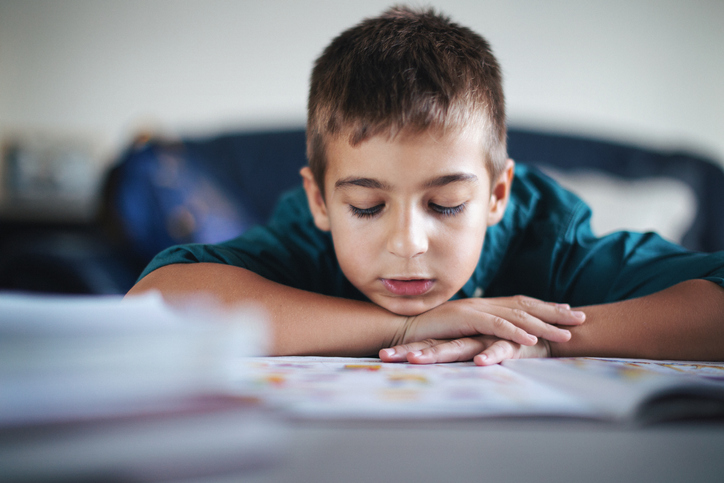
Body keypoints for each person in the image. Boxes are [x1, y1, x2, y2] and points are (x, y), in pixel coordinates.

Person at [126, 6, 724, 365]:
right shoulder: (304, 236)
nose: (408, 242)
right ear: (320, 201)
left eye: (446, 203)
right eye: (365, 206)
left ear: (496, 196)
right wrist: (407, 327)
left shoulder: (549, 234)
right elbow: (151, 305)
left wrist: (539, 338)